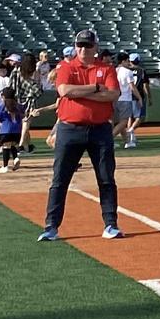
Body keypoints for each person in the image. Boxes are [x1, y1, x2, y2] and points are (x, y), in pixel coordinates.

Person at [35, 30, 124, 242]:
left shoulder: (106, 68)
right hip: (70, 129)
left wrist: (82, 93)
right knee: (60, 179)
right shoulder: (66, 66)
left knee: (106, 178)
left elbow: (113, 94)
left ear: (95, 47)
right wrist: (94, 89)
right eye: (80, 45)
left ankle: (110, 224)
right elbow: (65, 90)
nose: (83, 49)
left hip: (100, 129)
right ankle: (51, 227)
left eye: (88, 46)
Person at [114, 54, 147, 149]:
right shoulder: (127, 72)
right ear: (123, 61)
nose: (129, 62)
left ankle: (127, 141)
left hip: (115, 98)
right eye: (127, 60)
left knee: (119, 122)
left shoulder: (114, 70)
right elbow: (132, 87)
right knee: (123, 122)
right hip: (125, 99)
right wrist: (140, 98)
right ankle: (109, 139)